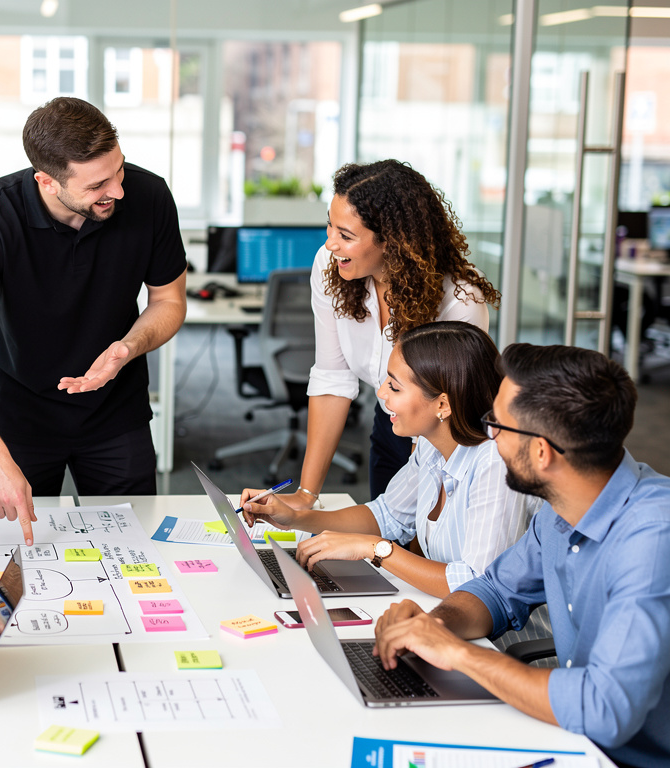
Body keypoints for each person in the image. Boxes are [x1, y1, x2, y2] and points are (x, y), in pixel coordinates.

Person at [374, 344, 670, 768]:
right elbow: (496, 590)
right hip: (571, 737)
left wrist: (458, 654)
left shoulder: (653, 537)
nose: (488, 436)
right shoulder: (561, 505)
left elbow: (606, 710)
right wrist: (433, 626)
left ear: (542, 453)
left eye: (496, 425)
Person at [0, 96, 188, 545]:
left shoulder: (150, 197)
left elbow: (169, 300)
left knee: (135, 550)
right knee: (16, 553)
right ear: (47, 182)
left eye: (120, 170)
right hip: (17, 412)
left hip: (116, 408)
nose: (118, 191)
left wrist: (127, 348)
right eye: (97, 186)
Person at [242, 322, 542, 606]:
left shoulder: (496, 463)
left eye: (395, 387)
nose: (381, 393)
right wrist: (294, 518)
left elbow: (478, 583)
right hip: (443, 611)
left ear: (442, 405)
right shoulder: (432, 443)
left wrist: (374, 549)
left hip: (496, 642)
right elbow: (386, 515)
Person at [278, 160, 501, 506]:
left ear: (392, 242)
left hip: (447, 435)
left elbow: (445, 417)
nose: (330, 243)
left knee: (421, 545)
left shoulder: (458, 300)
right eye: (330, 226)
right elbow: (332, 380)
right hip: (392, 417)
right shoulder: (330, 266)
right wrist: (307, 496)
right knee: (382, 531)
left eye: (346, 235)